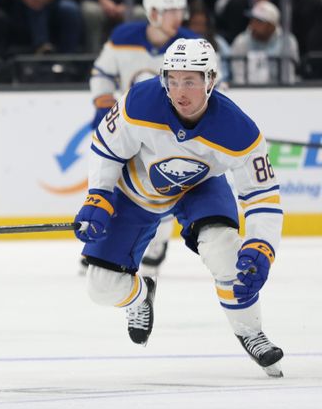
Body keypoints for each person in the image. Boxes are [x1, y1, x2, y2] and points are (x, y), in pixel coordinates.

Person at [75, 38, 284, 377]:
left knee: (225, 252)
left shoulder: (239, 130)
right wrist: (98, 195)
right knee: (100, 287)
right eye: (172, 80)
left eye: (189, 81)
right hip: (137, 191)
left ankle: (250, 331)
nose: (179, 92)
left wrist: (263, 244)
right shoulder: (140, 102)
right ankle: (141, 295)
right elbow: (106, 147)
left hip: (199, 188)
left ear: (210, 80)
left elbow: (262, 195)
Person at [87, 0, 198, 276]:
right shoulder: (123, 37)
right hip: (129, 129)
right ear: (153, 13)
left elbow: (215, 86)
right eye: (171, 11)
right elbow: (101, 73)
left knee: (162, 188)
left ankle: (157, 242)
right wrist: (103, 104)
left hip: (168, 136)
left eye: (180, 10)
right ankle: (101, 243)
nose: (178, 17)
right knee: (109, 182)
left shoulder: (192, 45)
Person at [229, 0, 299, 85]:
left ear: (272, 25)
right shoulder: (241, 42)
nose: (253, 25)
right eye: (252, 20)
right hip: (248, 90)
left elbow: (288, 76)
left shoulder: (287, 41)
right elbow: (239, 77)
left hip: (279, 89)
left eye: (259, 21)